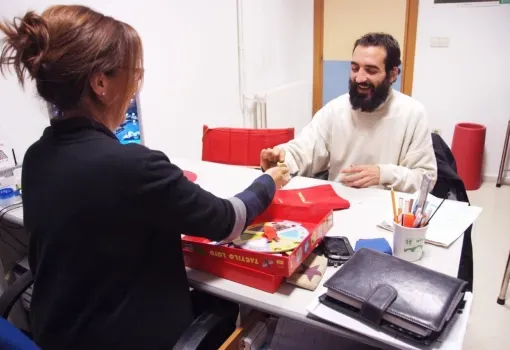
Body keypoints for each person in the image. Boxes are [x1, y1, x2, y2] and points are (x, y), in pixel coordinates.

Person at [0, 6, 289, 350]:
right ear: (101, 82)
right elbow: (227, 221)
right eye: (134, 75)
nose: (135, 87)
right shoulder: (133, 166)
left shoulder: (36, 158)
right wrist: (268, 182)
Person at [261, 33, 437, 193]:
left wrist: (384, 174)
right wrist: (282, 159)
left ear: (392, 75)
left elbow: (426, 179)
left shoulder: (412, 113)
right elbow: (304, 150)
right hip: (341, 207)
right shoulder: (335, 109)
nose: (359, 78)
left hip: (388, 213)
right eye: (354, 68)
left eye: (371, 70)